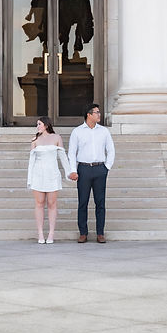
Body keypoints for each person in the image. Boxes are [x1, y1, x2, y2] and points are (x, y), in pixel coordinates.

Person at [67, 102, 115, 243]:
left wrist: (107, 167)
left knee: (100, 202)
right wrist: (73, 171)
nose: (99, 115)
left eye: (99, 112)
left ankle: (100, 233)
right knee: (83, 202)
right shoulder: (77, 132)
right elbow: (71, 153)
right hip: (84, 169)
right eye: (96, 112)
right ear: (88, 115)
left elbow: (111, 150)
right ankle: (83, 232)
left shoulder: (104, 131)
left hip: (100, 169)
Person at [26, 116, 73, 244]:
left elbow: (63, 157)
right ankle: (40, 233)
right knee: (39, 203)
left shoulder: (57, 138)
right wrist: (29, 179)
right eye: (37, 124)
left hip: (52, 174)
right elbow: (31, 162)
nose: (37, 126)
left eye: (39, 124)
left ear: (46, 125)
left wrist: (69, 173)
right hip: (38, 175)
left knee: (52, 204)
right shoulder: (35, 140)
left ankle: (51, 233)